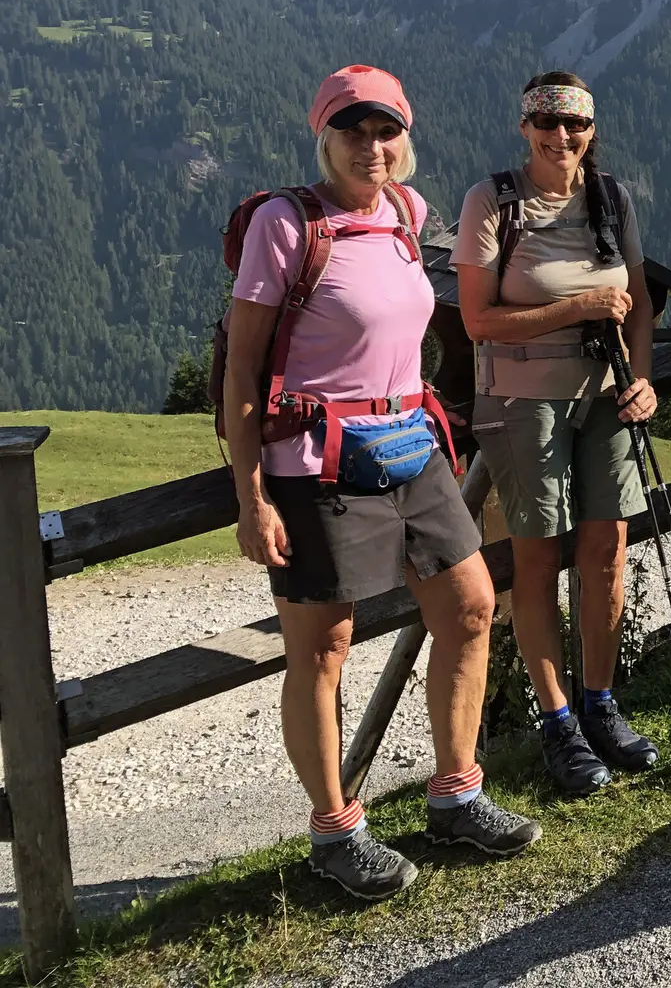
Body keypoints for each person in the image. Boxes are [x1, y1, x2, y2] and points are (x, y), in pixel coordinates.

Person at [225, 64, 539, 902]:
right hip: (313, 463)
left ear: (406, 138)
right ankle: (336, 834)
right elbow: (246, 369)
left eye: (386, 129)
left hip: (409, 443)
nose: (372, 145)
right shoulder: (287, 228)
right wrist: (250, 495)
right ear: (322, 134)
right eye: (353, 130)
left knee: (471, 605)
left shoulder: (407, 212)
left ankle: (457, 795)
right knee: (323, 649)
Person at [454, 71, 661, 797]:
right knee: (538, 558)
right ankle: (558, 721)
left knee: (606, 548)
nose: (561, 136)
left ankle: (601, 704)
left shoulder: (611, 197)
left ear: (591, 130)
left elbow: (637, 302)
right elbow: (477, 320)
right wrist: (576, 308)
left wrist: (642, 373)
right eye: (547, 122)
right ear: (524, 127)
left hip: (607, 394)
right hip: (521, 401)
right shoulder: (492, 201)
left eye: (574, 124)